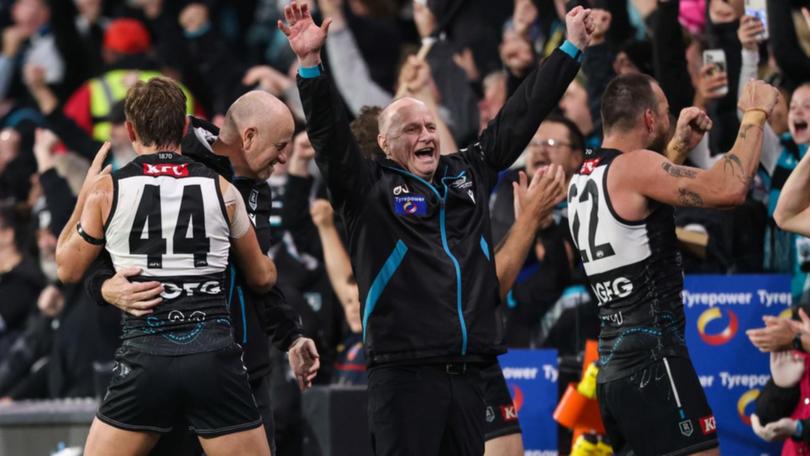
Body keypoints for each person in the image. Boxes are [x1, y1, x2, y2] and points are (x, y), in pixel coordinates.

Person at [278, 1, 592, 454]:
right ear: (384, 144)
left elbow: (522, 114)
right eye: (411, 129)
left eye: (429, 126)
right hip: (404, 374)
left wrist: (570, 48)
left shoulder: (467, 172)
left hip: (468, 371)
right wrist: (310, 65)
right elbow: (329, 138)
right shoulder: (368, 189)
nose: (426, 135)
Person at [84, 90, 320, 455]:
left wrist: (290, 335)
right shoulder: (174, 161)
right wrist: (104, 287)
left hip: (241, 371)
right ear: (249, 136)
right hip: (166, 360)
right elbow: (100, 248)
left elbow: (256, 276)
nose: (285, 157)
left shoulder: (255, 188)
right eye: (280, 145)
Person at [55, 77, 274, 456]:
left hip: (145, 359)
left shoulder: (109, 191)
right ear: (185, 127)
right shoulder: (223, 190)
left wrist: (84, 195)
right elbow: (262, 277)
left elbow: (67, 269)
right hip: (214, 360)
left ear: (130, 130)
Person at [567, 73, 778, 455]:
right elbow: (728, 189)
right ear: (649, 119)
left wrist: (678, 146)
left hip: (615, 369)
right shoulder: (636, 167)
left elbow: (636, 206)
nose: (670, 118)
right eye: (665, 112)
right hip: (655, 363)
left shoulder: (586, 176)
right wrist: (755, 114)